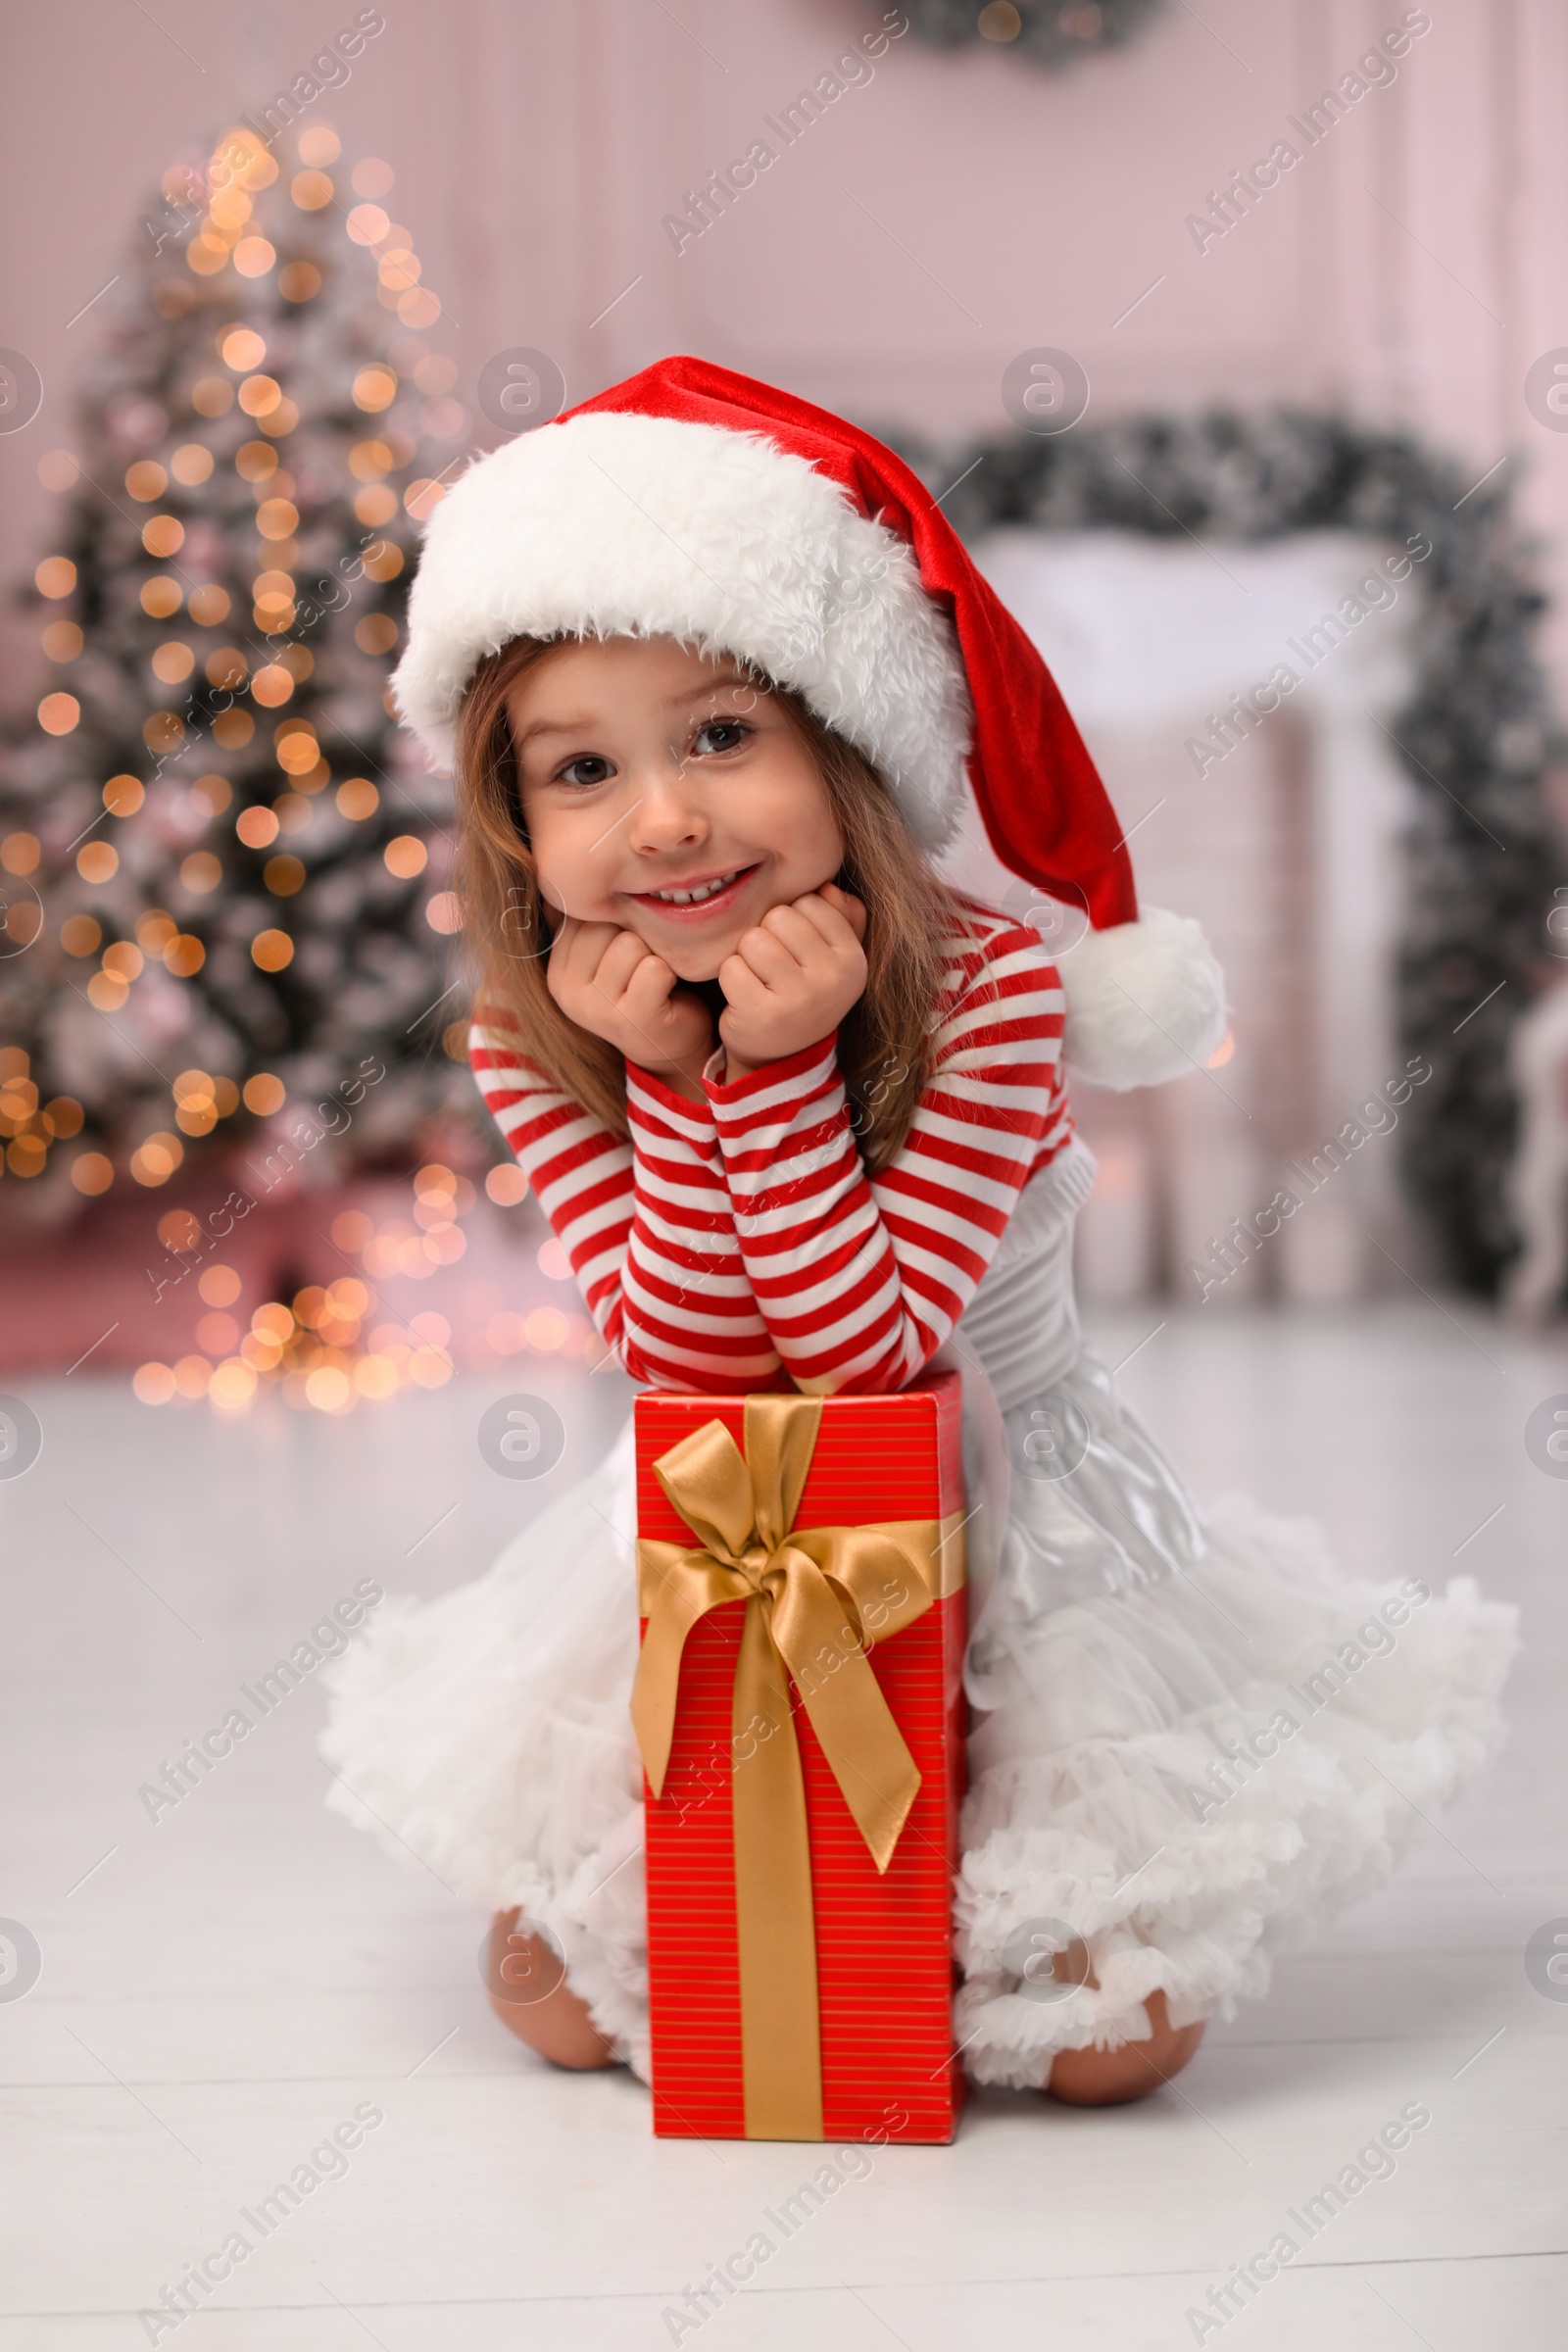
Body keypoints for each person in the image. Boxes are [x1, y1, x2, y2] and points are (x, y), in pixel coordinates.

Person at [320, 357, 1516, 2110]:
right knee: (557, 2008)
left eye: (721, 734)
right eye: (582, 769)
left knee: (1112, 2046)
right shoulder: (538, 1028)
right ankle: (825, 1924)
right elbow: (701, 1370)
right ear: (518, 822)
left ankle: (950, 1909)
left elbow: (864, 1365)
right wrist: (667, 1080)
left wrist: (775, 1072)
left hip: (1008, 1508)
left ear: (845, 742)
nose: (660, 818)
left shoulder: (991, 991)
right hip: (725, 1522)